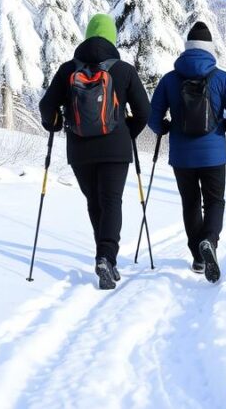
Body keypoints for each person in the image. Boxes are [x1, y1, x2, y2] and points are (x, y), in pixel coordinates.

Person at [38, 14, 149, 290]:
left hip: (80, 150)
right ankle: (106, 257)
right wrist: (126, 130)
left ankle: (103, 254)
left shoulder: (67, 70)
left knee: (95, 202)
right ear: (112, 38)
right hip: (116, 149)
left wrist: (54, 124)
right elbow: (144, 112)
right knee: (111, 201)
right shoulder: (124, 70)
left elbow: (46, 107)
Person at [148, 22, 226, 282]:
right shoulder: (221, 77)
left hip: (182, 156)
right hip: (214, 154)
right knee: (215, 201)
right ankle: (209, 241)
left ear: (187, 47)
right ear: (210, 48)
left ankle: (198, 257)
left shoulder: (170, 79)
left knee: (190, 202)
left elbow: (152, 117)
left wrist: (165, 128)